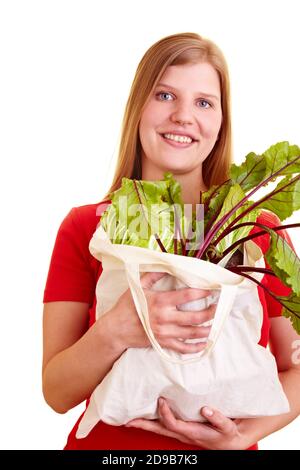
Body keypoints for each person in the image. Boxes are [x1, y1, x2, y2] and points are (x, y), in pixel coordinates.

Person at [42, 32, 300, 450]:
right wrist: (117, 331)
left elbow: (296, 367)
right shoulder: (89, 226)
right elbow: (56, 392)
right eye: (164, 95)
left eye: (204, 102)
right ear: (138, 108)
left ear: (220, 122)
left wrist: (239, 439)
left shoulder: (257, 231)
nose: (183, 115)